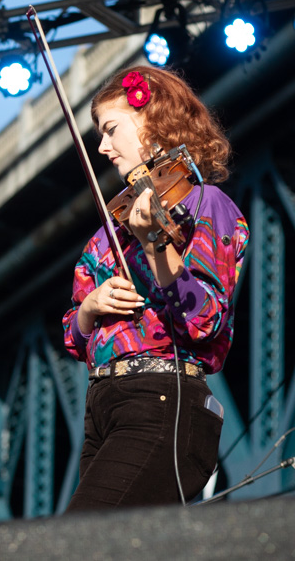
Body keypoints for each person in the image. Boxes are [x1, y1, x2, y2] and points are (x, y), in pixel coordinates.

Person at [62, 66, 249, 510]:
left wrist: (154, 244)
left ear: (152, 120)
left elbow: (206, 319)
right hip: (102, 407)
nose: (103, 148)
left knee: (77, 540)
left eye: (111, 130)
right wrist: (89, 309)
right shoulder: (107, 234)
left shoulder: (205, 203)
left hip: (162, 398)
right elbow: (73, 337)